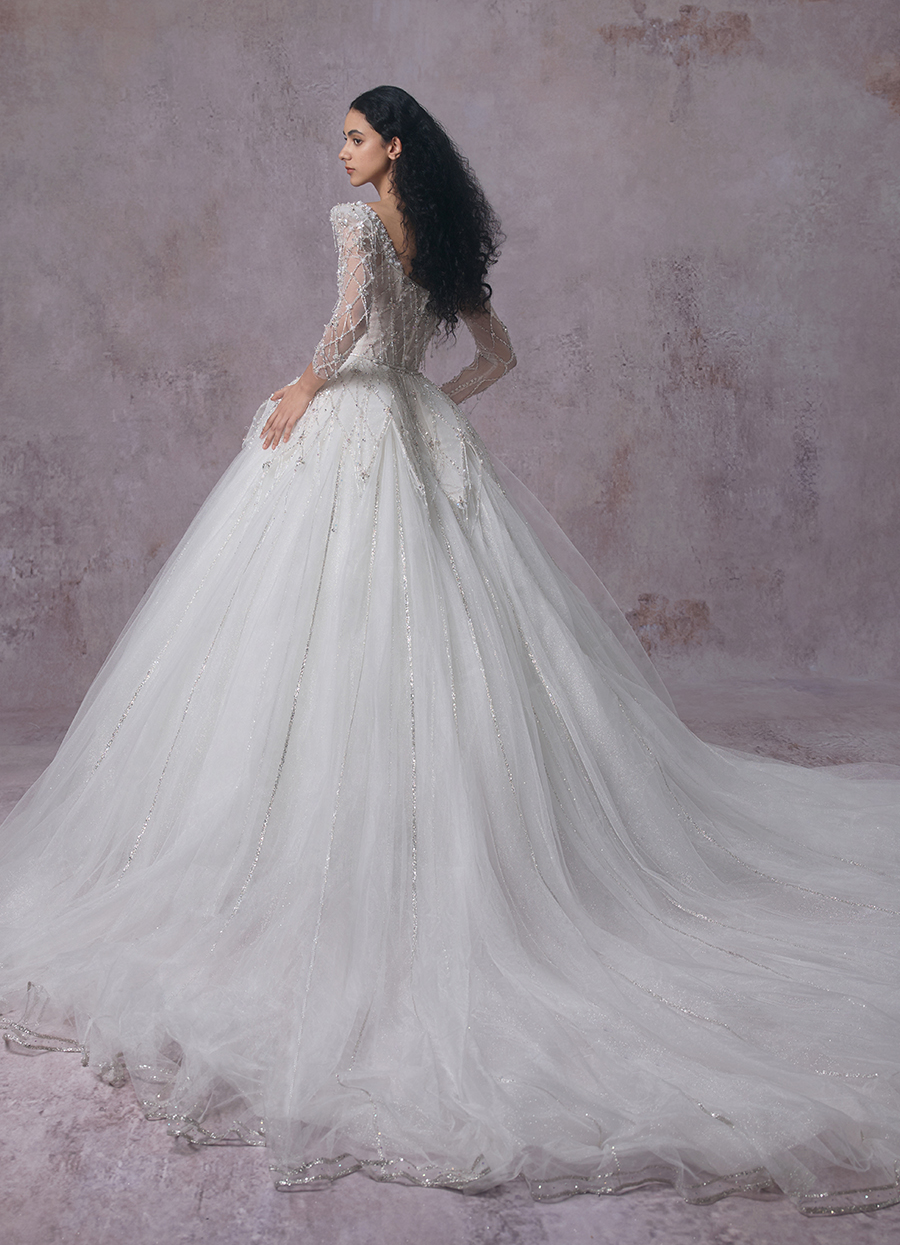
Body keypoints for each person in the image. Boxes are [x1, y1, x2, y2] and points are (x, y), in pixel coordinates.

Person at [2, 85, 900, 1216]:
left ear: (392, 148)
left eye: (354, 138)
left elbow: (345, 320)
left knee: (322, 625)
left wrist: (307, 385)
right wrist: (436, 402)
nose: (340, 154)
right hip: (414, 418)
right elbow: (498, 356)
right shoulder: (443, 235)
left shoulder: (357, 223)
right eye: (343, 139)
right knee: (448, 630)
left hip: (355, 418)